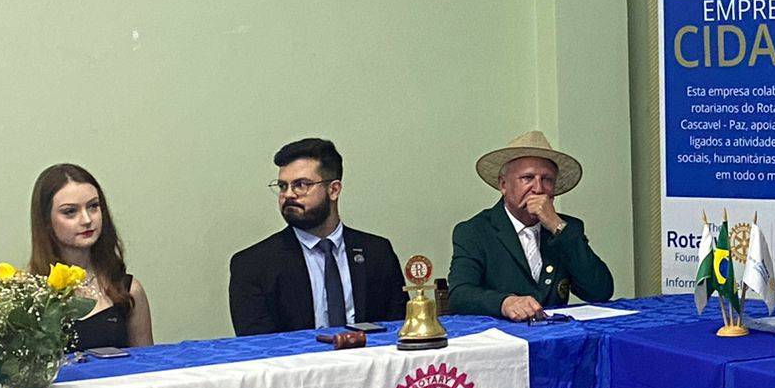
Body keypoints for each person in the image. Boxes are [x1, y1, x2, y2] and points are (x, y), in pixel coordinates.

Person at [228, 138, 405, 336]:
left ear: (334, 190)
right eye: (283, 186)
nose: (288, 195)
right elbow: (258, 346)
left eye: (301, 185)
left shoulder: (377, 253)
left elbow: (397, 329)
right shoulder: (253, 265)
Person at [447, 130, 614, 320]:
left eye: (547, 179)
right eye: (527, 178)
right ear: (503, 185)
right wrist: (504, 303)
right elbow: (459, 295)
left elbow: (600, 292)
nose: (538, 188)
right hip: (504, 334)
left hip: (557, 334)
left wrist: (557, 226)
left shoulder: (566, 229)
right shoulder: (474, 231)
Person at [30, 164, 153, 350]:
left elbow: (146, 364)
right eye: (70, 212)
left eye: (93, 206)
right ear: (46, 221)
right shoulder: (28, 296)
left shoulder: (128, 291)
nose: (87, 220)